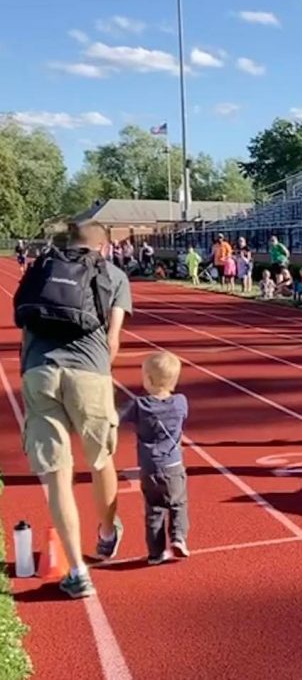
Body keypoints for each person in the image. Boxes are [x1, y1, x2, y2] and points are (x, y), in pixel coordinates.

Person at [14, 222, 132, 598]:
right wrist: (99, 371)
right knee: (100, 460)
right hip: (90, 373)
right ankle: (107, 533)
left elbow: (24, 329)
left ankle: (78, 572)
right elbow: (113, 340)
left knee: (57, 473)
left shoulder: (40, 268)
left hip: (39, 370)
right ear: (104, 246)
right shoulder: (113, 275)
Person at [119, 351, 190, 564]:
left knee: (154, 509)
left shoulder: (139, 405)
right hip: (173, 465)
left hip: (148, 468)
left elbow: (116, 417)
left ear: (148, 380)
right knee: (178, 503)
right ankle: (178, 537)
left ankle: (155, 552)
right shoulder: (180, 402)